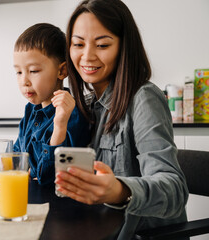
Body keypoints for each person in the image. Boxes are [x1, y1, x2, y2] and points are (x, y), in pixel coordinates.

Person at [54, 0, 189, 238]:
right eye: (77, 44)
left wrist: (120, 190)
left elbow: (174, 190)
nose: (87, 56)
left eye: (102, 45)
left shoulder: (143, 98)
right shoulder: (83, 106)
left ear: (124, 47)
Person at [0, 23, 91, 187]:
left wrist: (60, 124)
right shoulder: (31, 110)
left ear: (62, 71)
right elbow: (18, 158)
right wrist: (2, 169)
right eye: (19, 72)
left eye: (33, 71)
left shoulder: (72, 113)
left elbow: (52, 177)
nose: (24, 81)